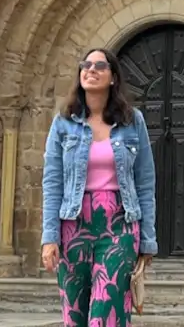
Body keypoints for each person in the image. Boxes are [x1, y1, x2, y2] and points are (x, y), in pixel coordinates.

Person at [41, 48, 157, 327]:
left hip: (120, 224)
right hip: (73, 223)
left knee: (108, 312)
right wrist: (49, 237)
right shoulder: (63, 124)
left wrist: (147, 239)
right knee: (74, 315)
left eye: (100, 65)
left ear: (113, 77)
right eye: (86, 65)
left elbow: (145, 180)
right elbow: (52, 181)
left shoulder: (133, 121)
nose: (91, 70)